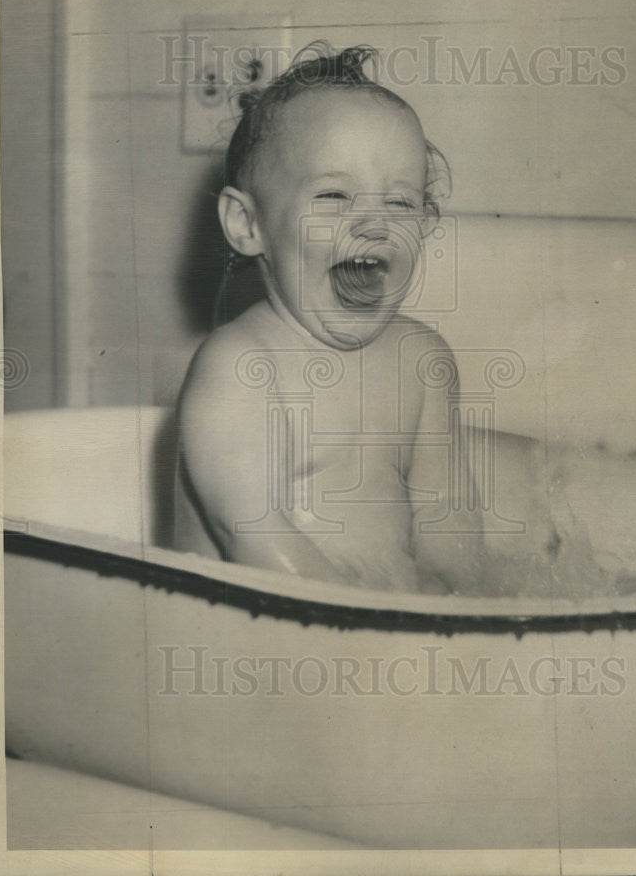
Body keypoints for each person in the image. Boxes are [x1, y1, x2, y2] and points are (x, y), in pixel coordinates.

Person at [174, 44, 487, 593]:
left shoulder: (422, 362)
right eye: (335, 195)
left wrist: (459, 602)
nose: (373, 225)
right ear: (248, 224)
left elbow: (448, 516)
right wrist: (371, 624)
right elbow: (250, 534)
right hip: (261, 633)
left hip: (386, 631)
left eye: (400, 202)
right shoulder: (241, 368)